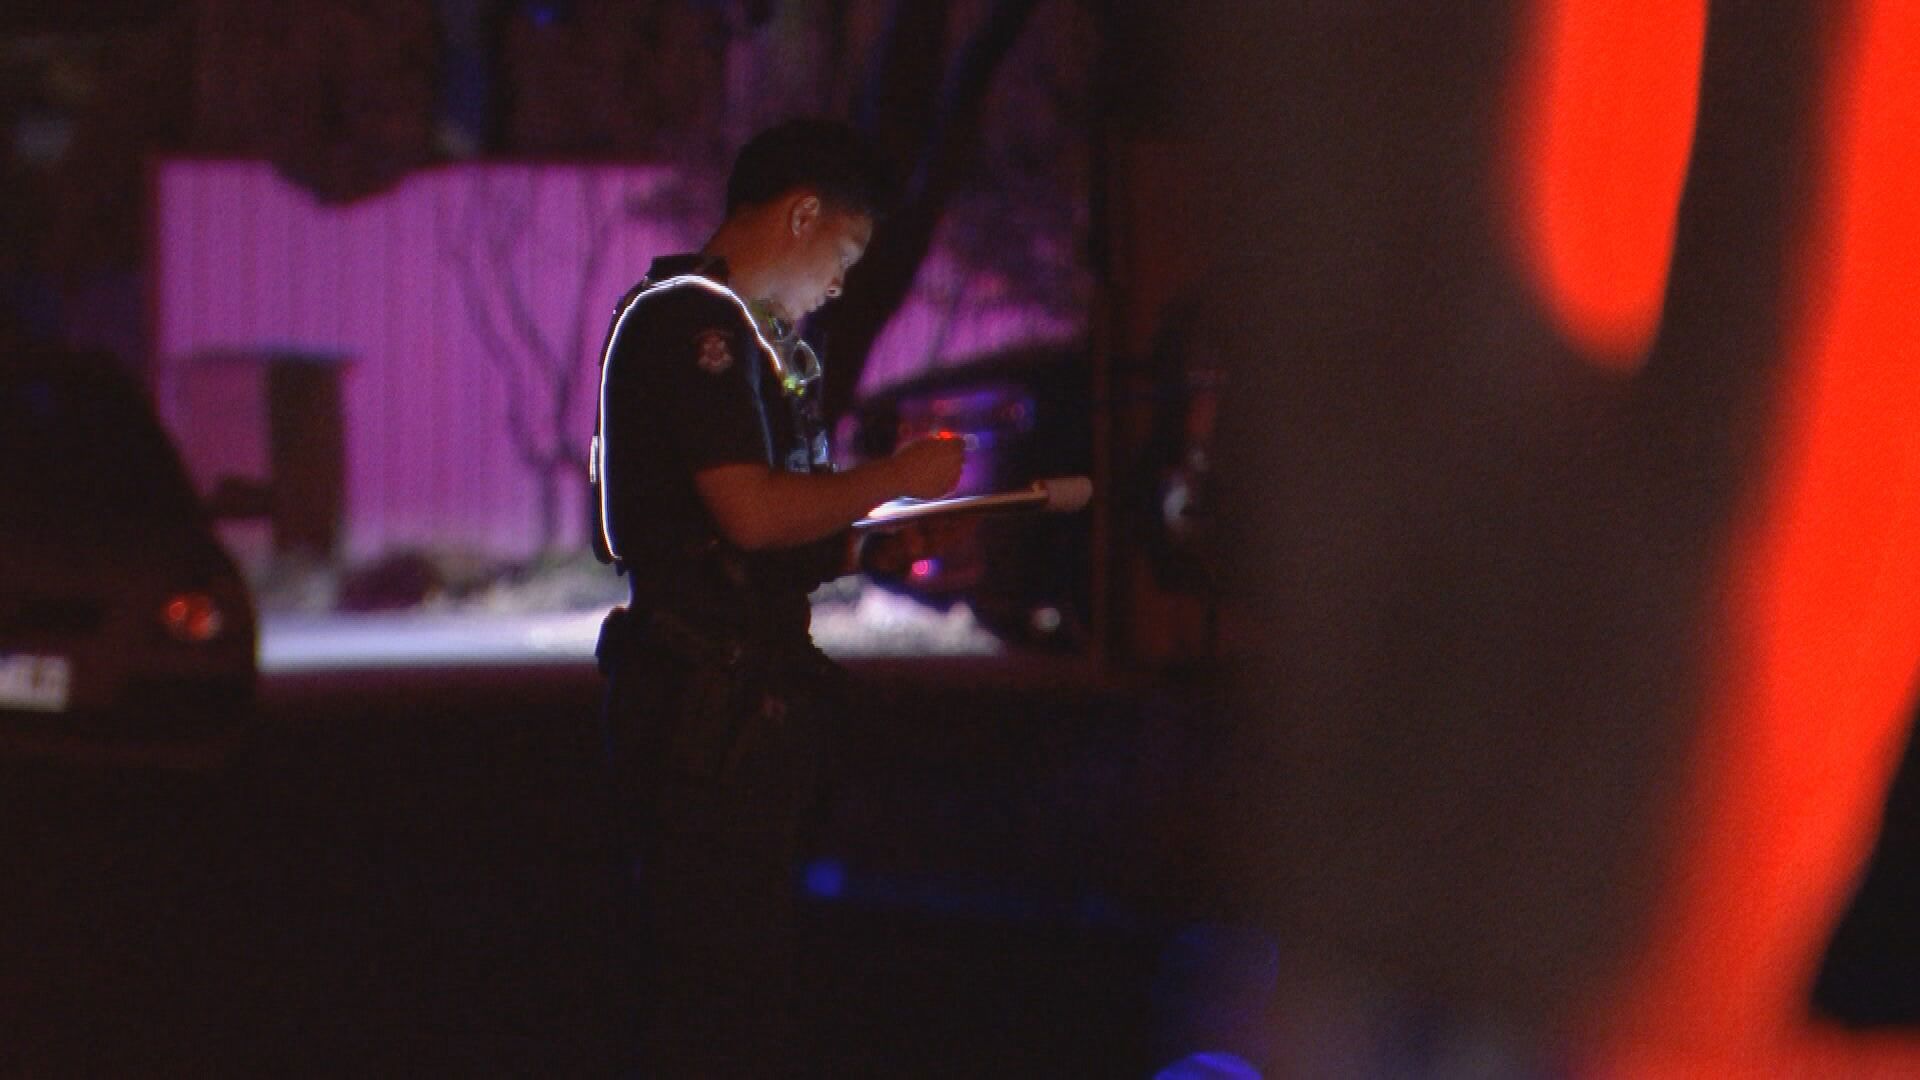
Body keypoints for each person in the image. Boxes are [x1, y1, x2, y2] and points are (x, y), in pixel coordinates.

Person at [590, 118, 965, 1075]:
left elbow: (763, 536)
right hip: (703, 706)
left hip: (733, 698)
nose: (839, 285)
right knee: (718, 984)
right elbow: (751, 517)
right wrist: (896, 474)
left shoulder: (750, 338)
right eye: (842, 254)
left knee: (744, 973)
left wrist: (861, 546)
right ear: (801, 213)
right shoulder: (694, 327)